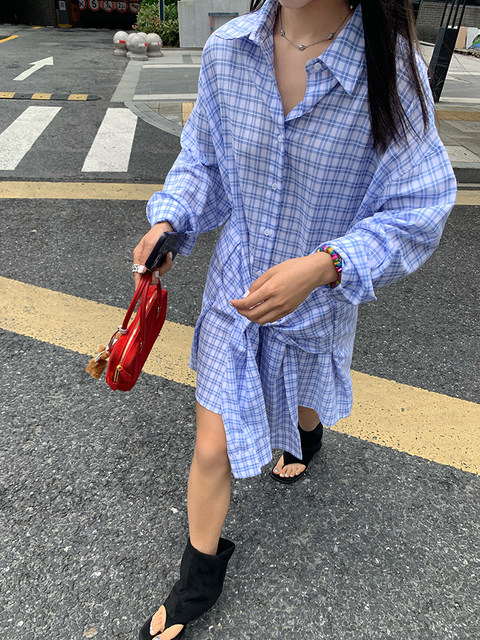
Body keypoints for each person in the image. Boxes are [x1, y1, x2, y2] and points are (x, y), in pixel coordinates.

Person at [134, 0, 457, 638]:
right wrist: (171, 220)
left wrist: (324, 266)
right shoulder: (229, 50)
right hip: (236, 289)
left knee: (305, 392)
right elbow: (204, 159)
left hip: (320, 295)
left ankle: (306, 437)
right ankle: (199, 576)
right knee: (211, 446)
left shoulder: (389, 68)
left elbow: (420, 206)